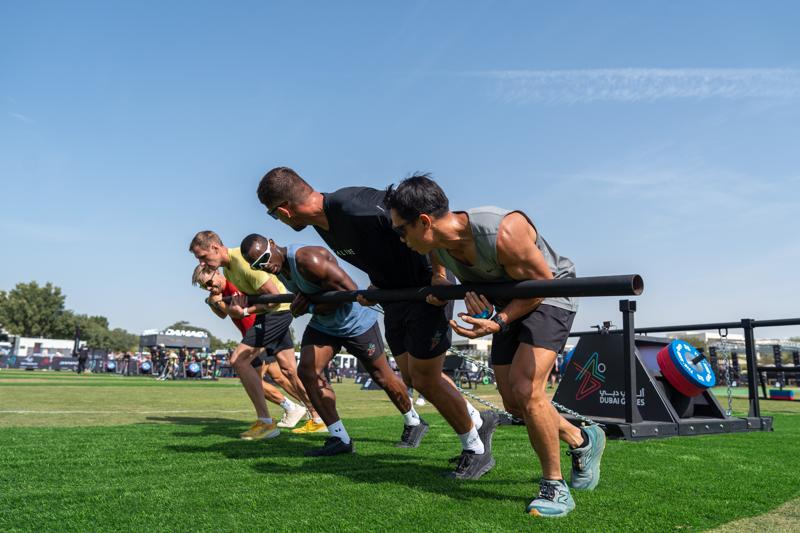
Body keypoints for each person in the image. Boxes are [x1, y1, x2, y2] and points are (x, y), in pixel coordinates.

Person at [383, 174, 605, 518]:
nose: (400, 239)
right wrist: (442, 287)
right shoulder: (436, 246)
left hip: (550, 294)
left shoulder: (504, 231)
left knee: (527, 390)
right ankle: (582, 440)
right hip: (510, 303)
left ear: (424, 222)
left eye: (401, 230)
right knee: (515, 403)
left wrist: (499, 320)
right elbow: (443, 272)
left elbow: (541, 285)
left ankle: (554, 487)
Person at [256, 167, 498, 477]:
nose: (279, 220)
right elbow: (381, 252)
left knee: (425, 378)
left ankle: (475, 449)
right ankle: (478, 419)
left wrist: (439, 275)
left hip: (426, 290)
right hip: (393, 296)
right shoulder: (323, 225)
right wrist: (376, 285)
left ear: (284, 210)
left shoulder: (353, 206)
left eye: (274, 215)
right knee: (411, 376)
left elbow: (422, 218)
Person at [241, 233, 429, 456]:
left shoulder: (308, 259)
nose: (264, 266)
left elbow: (348, 292)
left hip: (355, 322)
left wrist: (310, 306)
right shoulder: (278, 268)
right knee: (307, 372)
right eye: (257, 265)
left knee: (381, 376)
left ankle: (414, 421)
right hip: (325, 324)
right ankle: (340, 438)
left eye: (264, 258)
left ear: (272, 243)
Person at [189, 230, 321, 439]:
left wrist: (244, 311)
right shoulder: (229, 269)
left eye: (203, 257)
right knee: (288, 370)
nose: (201, 262)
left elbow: (273, 297)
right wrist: (236, 306)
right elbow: (246, 302)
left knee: (239, 360)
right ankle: (318, 417)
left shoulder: (241, 262)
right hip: (271, 313)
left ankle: (266, 423)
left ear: (215, 247)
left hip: (276, 313)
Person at [192, 265, 309, 429]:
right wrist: (214, 303)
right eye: (205, 287)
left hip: (260, 332)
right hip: (261, 331)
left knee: (254, 380)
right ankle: (311, 408)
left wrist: (218, 303)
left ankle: (291, 407)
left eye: (209, 283)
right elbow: (222, 314)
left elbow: (236, 312)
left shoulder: (234, 284)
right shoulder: (219, 293)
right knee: (280, 376)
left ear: (217, 273)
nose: (209, 288)